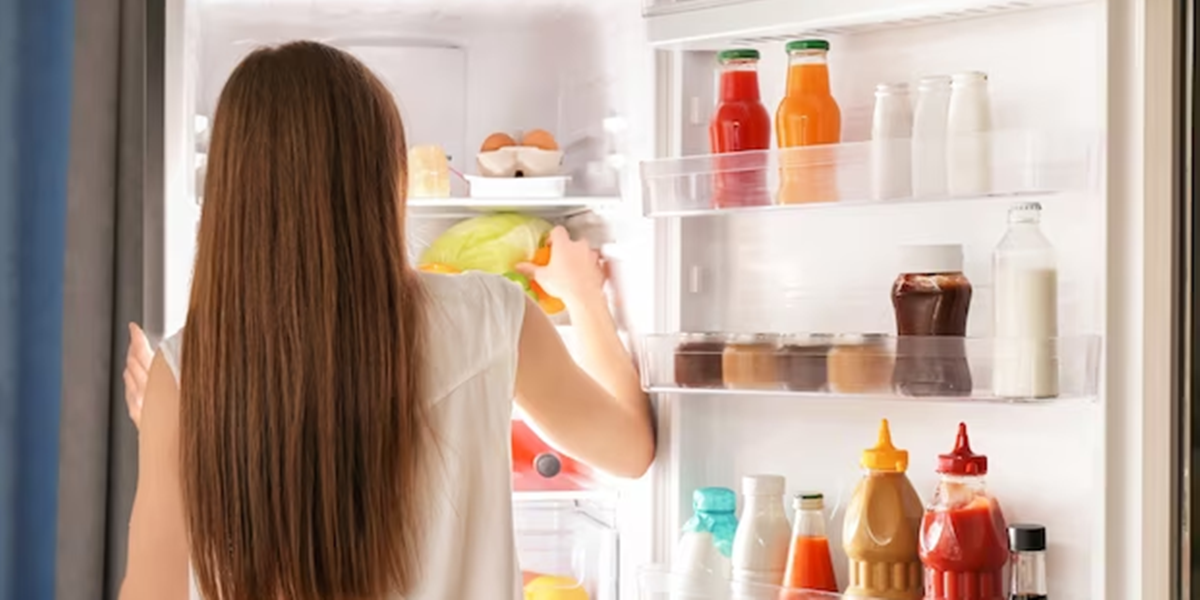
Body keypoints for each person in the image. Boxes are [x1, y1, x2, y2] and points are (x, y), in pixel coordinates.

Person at [118, 41, 653, 600]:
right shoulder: (493, 317)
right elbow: (629, 450)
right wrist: (584, 298)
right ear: (385, 180)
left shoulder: (186, 372)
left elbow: (151, 590)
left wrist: (183, 429)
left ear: (230, 192)